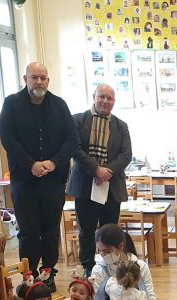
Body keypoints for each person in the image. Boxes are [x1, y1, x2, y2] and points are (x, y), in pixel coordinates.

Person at [0, 62, 77, 290]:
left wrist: (54, 162)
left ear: (48, 81)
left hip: (53, 180)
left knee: (51, 230)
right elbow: (8, 138)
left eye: (43, 77)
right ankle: (29, 276)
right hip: (25, 181)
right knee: (29, 232)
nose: (39, 82)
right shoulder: (11, 104)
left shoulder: (59, 105)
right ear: (25, 78)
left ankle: (48, 274)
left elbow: (71, 140)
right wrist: (30, 164)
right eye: (35, 77)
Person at [67, 84, 133, 275]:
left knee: (110, 231)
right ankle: (88, 269)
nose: (105, 101)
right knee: (86, 231)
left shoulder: (121, 126)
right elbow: (74, 148)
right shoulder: (78, 120)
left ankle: (111, 267)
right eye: (101, 97)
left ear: (114, 101)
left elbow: (126, 154)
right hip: (84, 186)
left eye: (109, 98)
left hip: (112, 187)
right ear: (94, 97)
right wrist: (96, 169)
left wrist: (107, 171)